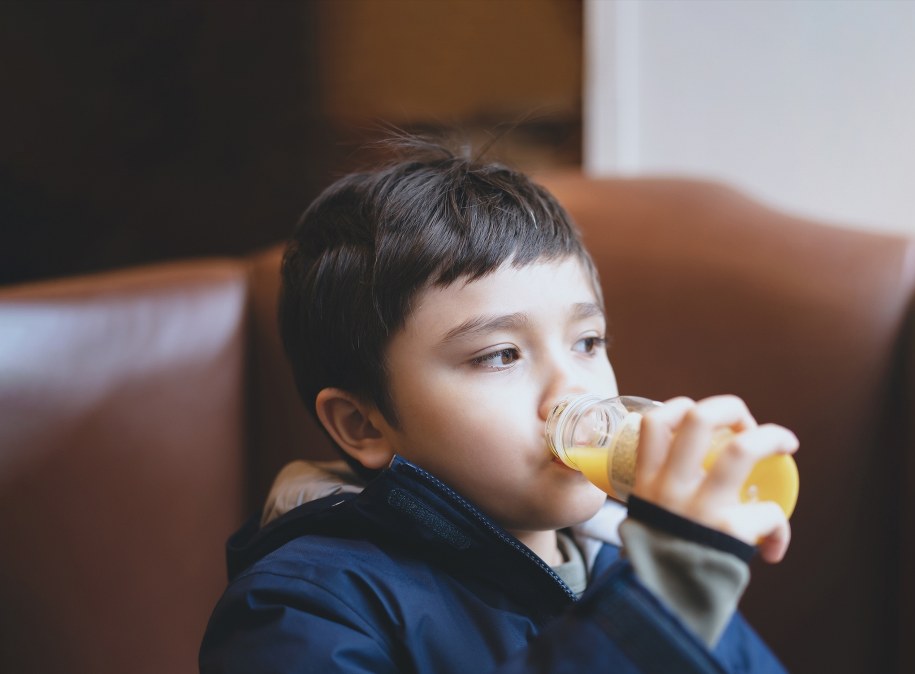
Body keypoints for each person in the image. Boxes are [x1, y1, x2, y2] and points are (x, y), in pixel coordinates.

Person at [198, 137, 799, 673]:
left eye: (587, 342)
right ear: (363, 425)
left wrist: (673, 589)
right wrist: (660, 606)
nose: (572, 390)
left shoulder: (630, 561)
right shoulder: (304, 606)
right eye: (500, 356)